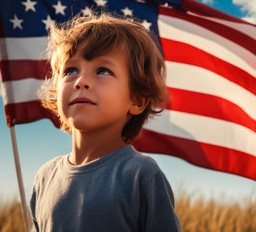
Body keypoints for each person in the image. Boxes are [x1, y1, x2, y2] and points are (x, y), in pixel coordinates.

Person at [30, 13, 181, 231]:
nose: (81, 82)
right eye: (70, 70)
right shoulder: (45, 176)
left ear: (137, 100)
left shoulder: (140, 174)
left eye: (103, 71)